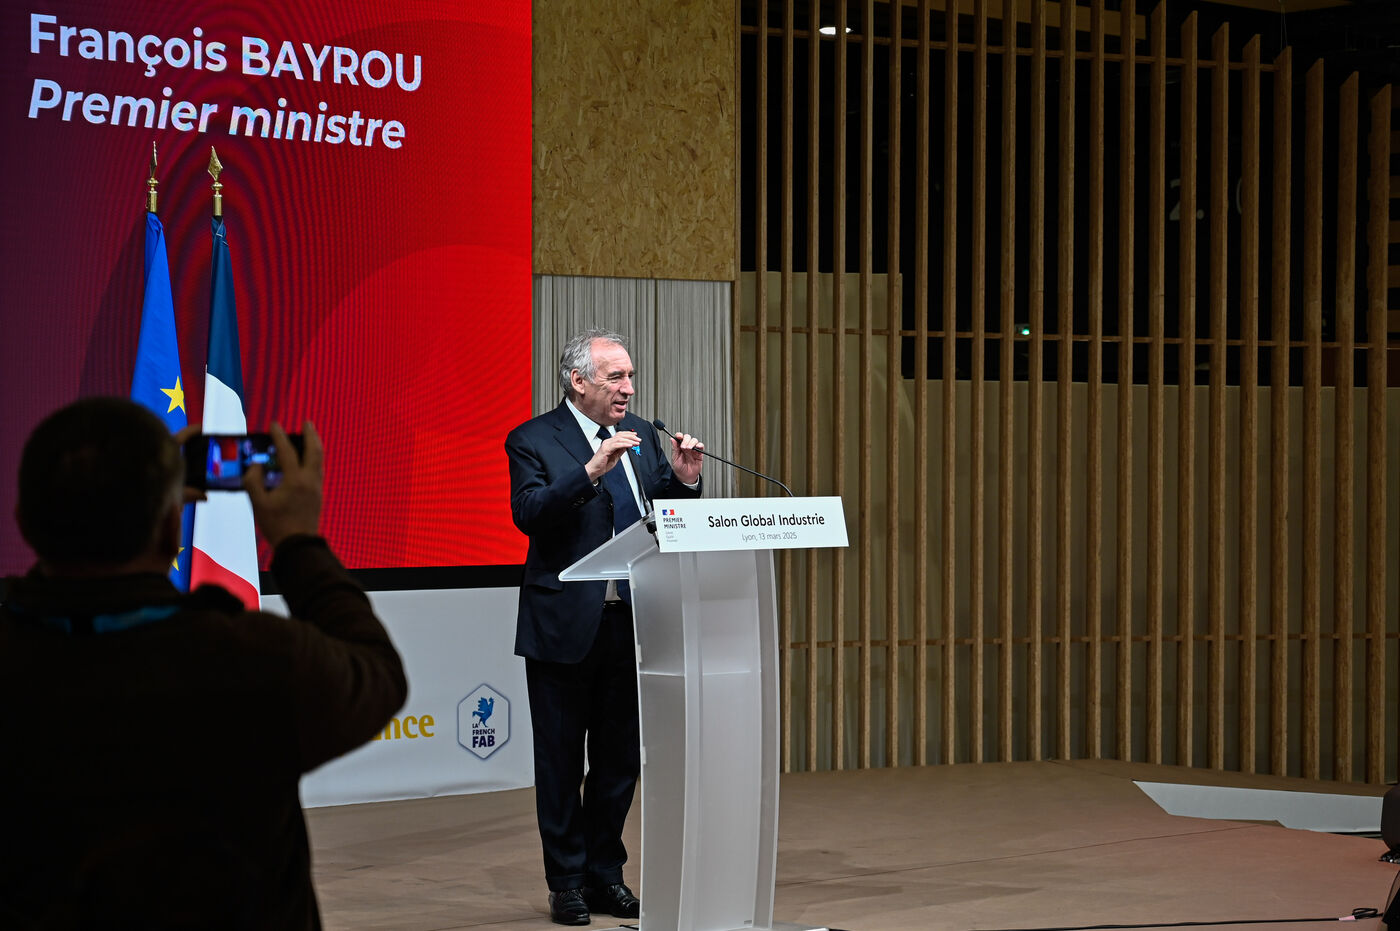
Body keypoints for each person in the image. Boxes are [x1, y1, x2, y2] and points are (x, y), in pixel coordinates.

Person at [0, 397, 407, 930]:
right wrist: (298, 542)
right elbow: (377, 674)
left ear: (23, 520)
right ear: (173, 528)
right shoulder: (251, 660)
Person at [506, 329, 704, 925]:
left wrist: (684, 481)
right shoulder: (532, 439)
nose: (629, 389)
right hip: (563, 626)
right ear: (579, 381)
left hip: (632, 624)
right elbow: (529, 514)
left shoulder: (641, 433)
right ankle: (566, 882)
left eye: (630, 376)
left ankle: (604, 874)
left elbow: (662, 520)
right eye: (616, 377)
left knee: (618, 763)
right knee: (561, 763)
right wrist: (591, 470)